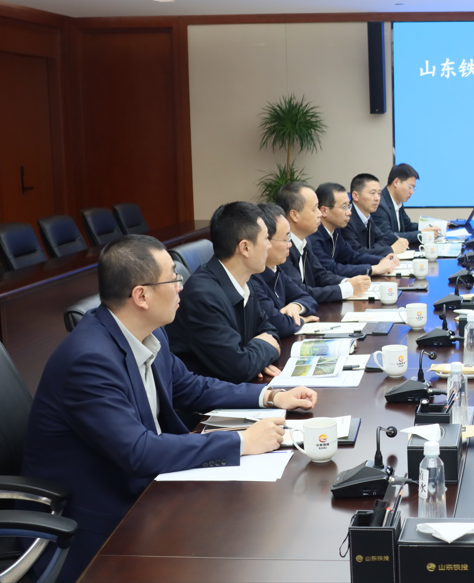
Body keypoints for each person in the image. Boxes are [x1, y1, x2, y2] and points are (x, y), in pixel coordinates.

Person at [21, 234, 317, 583]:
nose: (181, 287)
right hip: (95, 523)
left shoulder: (151, 332)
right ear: (141, 296)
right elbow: (138, 451)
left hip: (150, 492)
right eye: (173, 279)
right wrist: (241, 442)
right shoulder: (89, 360)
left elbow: (190, 387)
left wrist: (270, 397)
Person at [167, 201, 282, 384]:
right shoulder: (203, 296)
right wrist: (260, 354)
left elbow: (270, 331)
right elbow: (240, 368)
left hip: (233, 386)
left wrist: (256, 358)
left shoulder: (244, 280)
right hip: (206, 396)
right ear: (245, 247)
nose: (269, 246)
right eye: (266, 239)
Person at [277, 182, 371, 303]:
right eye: (314, 209)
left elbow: (320, 275)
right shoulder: (282, 248)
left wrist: (347, 282)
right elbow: (299, 292)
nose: (320, 214)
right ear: (294, 215)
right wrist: (347, 289)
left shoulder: (304, 241)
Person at [251, 203, 319, 337]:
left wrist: (296, 306)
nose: (290, 245)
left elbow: (308, 298)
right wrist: (300, 320)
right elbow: (278, 324)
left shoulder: (276, 270)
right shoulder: (251, 277)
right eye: (285, 239)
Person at [309, 182, 399, 278]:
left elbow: (352, 256)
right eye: (344, 207)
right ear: (324, 211)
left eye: (349, 206)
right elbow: (331, 268)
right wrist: (373, 269)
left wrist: (381, 260)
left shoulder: (335, 231)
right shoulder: (313, 236)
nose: (349, 212)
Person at [342, 173, 408, 256]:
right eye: (372, 193)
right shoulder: (346, 219)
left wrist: (373, 250)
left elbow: (383, 239)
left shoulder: (367, 217)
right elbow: (356, 253)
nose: (377, 198)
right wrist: (391, 249)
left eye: (379, 193)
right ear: (355, 196)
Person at [373, 163, 423, 247]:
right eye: (410, 187)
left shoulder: (398, 202)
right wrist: (422, 234)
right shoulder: (380, 204)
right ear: (396, 182)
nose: (412, 192)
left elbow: (408, 227)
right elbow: (388, 236)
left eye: (413, 188)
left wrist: (430, 228)